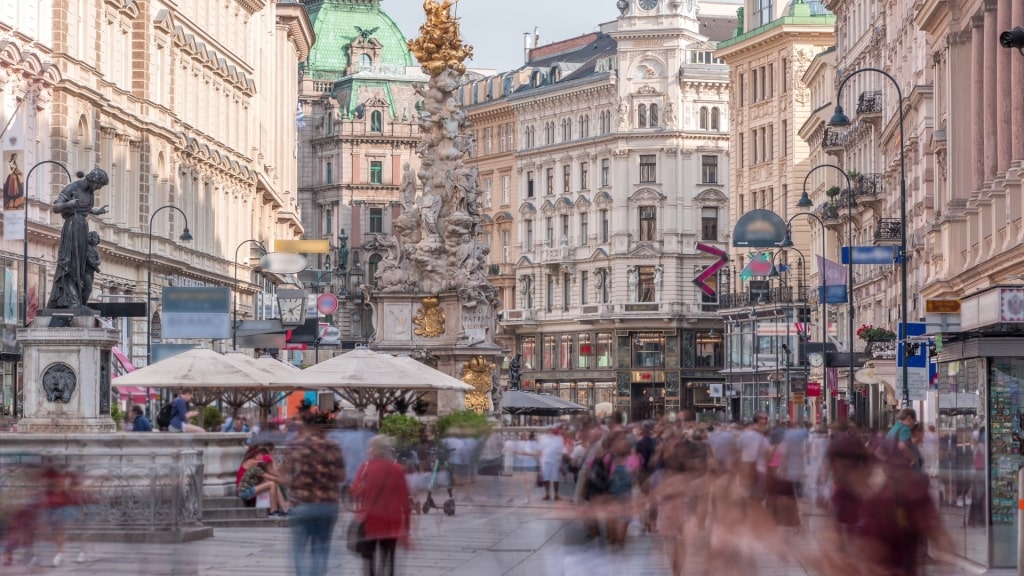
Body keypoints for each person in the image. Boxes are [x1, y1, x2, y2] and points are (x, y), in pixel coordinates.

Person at [282, 411, 346, 576]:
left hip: (302, 504)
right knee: (321, 549)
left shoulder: (294, 446)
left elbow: (285, 476)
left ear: (303, 425)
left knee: (298, 550)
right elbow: (341, 477)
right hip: (327, 504)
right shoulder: (332, 446)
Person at [47, 168, 109, 309]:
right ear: (93, 179)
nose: (98, 188)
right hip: (71, 227)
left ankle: (77, 299)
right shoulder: (73, 187)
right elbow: (56, 207)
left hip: (82, 227)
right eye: (99, 185)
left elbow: (84, 209)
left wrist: (96, 211)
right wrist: (68, 204)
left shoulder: (89, 193)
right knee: (70, 262)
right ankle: (68, 298)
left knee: (80, 264)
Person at [351, 435, 412, 576]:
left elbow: (356, 492)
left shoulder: (365, 468)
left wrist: (354, 489)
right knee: (389, 556)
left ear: (375, 450)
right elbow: (404, 499)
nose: (367, 451)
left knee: (369, 558)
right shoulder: (398, 470)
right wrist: (406, 527)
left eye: (369, 448)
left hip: (371, 519)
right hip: (392, 521)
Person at [537, 425, 566, 501]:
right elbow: (540, 450)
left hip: (556, 460)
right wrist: (539, 463)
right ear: (546, 430)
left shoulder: (559, 438)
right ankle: (547, 494)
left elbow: (562, 450)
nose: (550, 431)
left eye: (552, 429)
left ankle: (556, 494)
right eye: (549, 429)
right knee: (546, 478)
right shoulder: (542, 438)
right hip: (545, 460)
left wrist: (560, 461)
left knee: (556, 478)